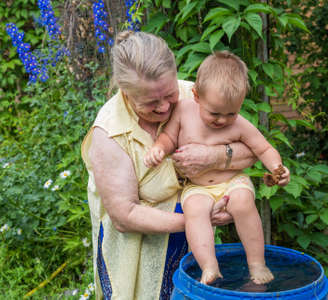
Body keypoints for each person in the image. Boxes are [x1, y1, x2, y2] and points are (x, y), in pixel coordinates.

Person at [81, 32, 258, 300]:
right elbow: (124, 216)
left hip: (195, 237)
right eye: (151, 103)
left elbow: (252, 150)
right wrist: (198, 220)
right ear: (125, 92)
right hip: (140, 244)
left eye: (170, 94)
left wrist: (215, 156)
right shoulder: (109, 133)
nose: (165, 107)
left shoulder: (197, 96)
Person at [145, 51, 290, 285]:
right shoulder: (183, 111)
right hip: (197, 186)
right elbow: (169, 138)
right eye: (214, 113)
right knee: (193, 211)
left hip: (232, 182)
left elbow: (264, 149)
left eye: (231, 113)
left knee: (243, 200)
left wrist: (277, 168)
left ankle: (256, 263)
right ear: (196, 96)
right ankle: (209, 266)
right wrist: (159, 149)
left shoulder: (240, 124)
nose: (222, 120)